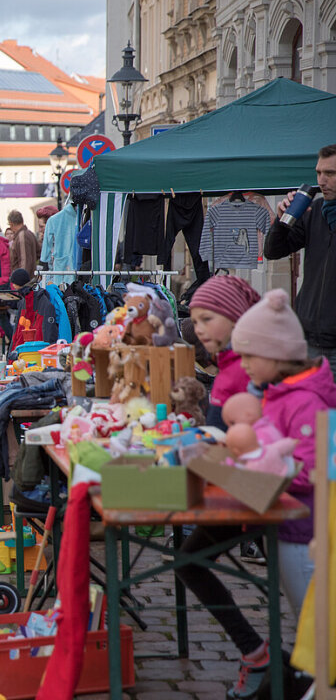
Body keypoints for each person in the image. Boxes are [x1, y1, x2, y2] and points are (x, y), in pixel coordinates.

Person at [176, 289, 336, 700]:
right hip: (279, 521)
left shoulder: (304, 400)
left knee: (315, 628)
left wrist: (253, 467)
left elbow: (311, 468)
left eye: (250, 357)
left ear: (277, 354)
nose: (243, 365)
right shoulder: (280, 392)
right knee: (310, 631)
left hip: (302, 529)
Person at [265, 144, 336, 381]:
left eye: (331, 173)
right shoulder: (315, 210)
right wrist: (283, 221)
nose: (322, 180)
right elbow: (273, 251)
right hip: (309, 338)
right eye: (318, 173)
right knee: (312, 413)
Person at [187, 275, 260, 430]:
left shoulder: (247, 369)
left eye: (206, 319)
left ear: (233, 317)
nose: (198, 330)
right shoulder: (226, 362)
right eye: (195, 322)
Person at [7, 210, 38, 277]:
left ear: (11, 224)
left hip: (24, 281)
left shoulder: (22, 236)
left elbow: (24, 261)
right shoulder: (30, 233)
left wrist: (21, 280)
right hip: (30, 278)